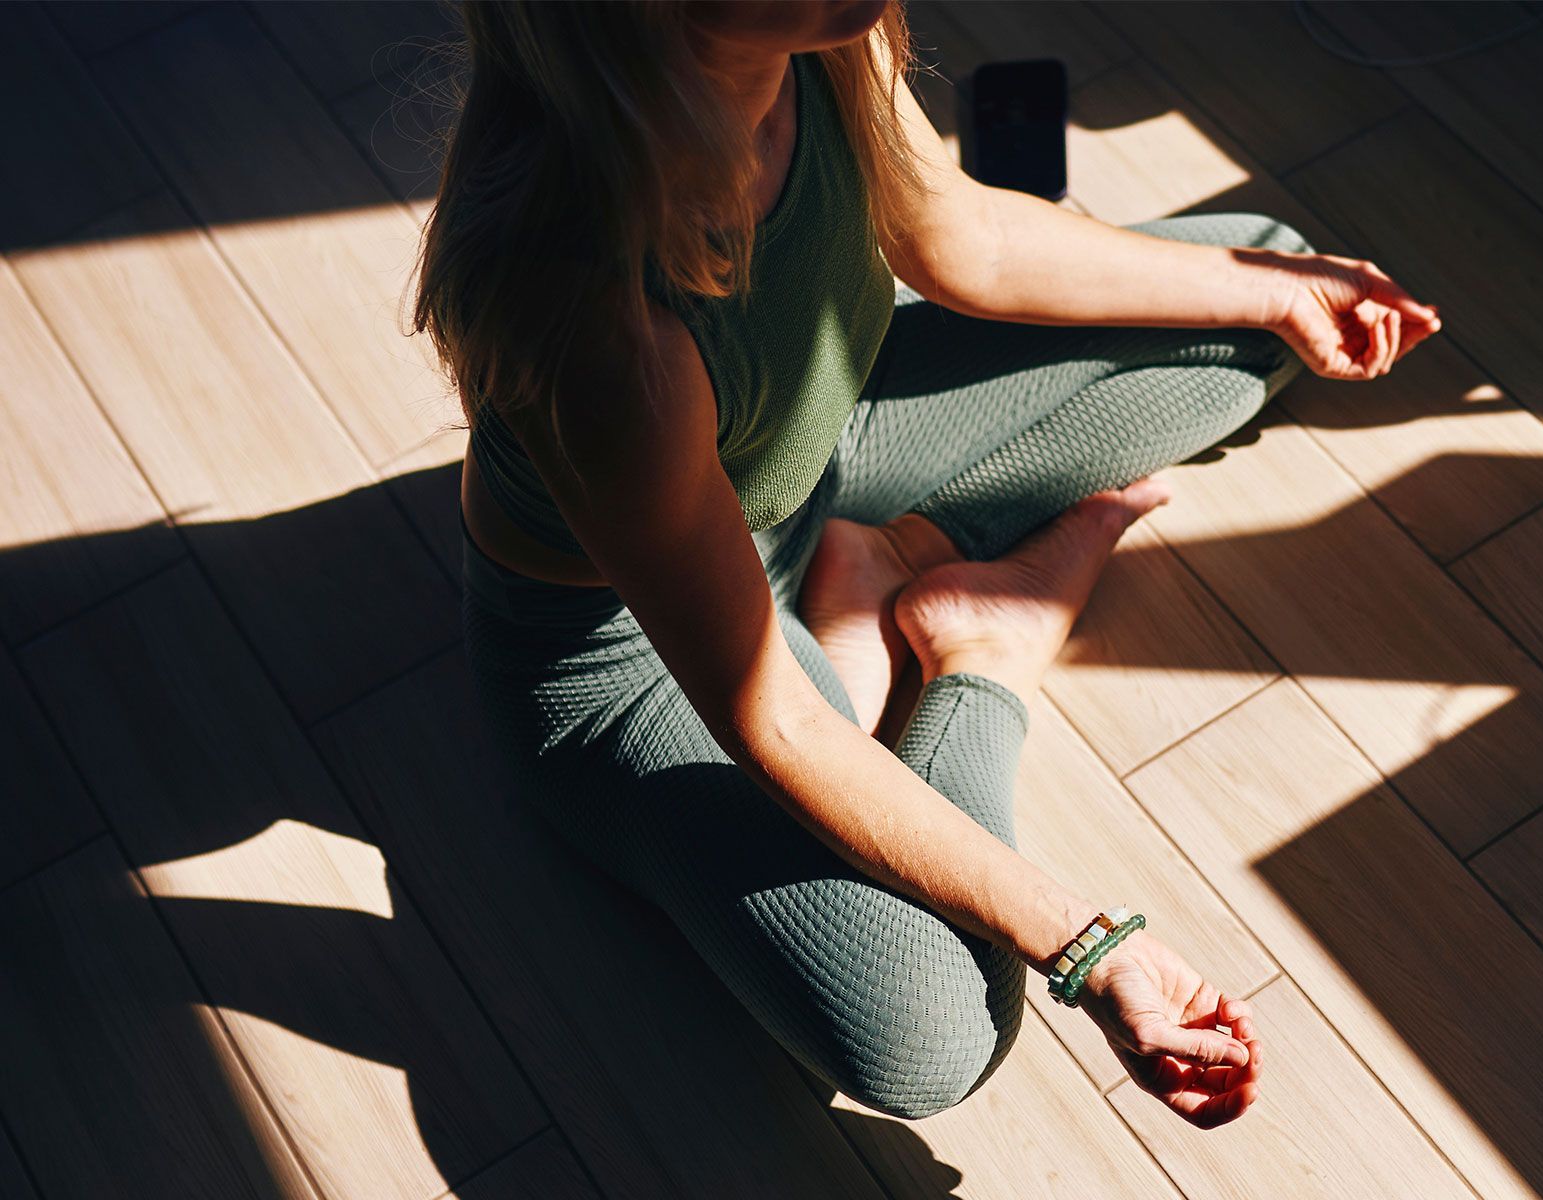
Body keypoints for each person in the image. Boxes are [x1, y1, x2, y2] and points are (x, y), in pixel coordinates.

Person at [408, 0, 1439, 1130]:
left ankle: (893, 558)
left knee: (1276, 291)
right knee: (933, 1033)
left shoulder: (824, 35)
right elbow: (776, 726)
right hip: (632, 662)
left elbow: (966, 243)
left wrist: (1273, 290)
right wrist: (1092, 950)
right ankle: (980, 656)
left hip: (813, 444)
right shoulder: (592, 317)